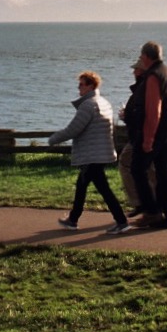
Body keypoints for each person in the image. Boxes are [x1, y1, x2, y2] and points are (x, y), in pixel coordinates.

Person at [49, 71, 130, 234]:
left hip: (92, 154)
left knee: (103, 188)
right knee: (82, 185)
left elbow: (74, 129)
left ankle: (121, 221)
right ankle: (73, 219)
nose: (79, 88)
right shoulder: (104, 102)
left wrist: (54, 139)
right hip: (101, 152)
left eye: (81, 84)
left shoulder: (88, 105)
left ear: (91, 86)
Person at [128, 41, 167, 229]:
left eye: (141, 57)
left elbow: (154, 110)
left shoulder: (153, 76)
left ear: (145, 56)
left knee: (137, 169)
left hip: (156, 133)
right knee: (164, 176)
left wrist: (148, 139)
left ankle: (151, 212)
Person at [117, 60, 157, 214]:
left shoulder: (144, 88)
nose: (133, 72)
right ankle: (149, 203)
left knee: (131, 165)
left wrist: (127, 116)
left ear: (142, 71)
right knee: (150, 169)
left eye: (136, 70)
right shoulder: (144, 87)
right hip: (141, 136)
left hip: (141, 136)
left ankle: (144, 204)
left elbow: (143, 114)